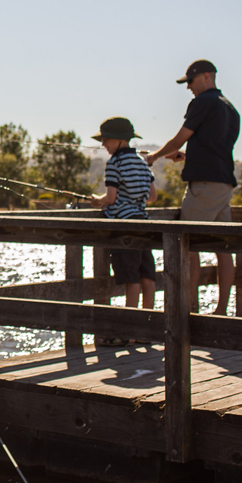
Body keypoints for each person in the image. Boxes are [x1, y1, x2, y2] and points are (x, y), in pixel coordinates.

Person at [144, 59, 240, 315]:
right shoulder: (230, 108)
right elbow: (215, 147)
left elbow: (178, 138)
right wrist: (189, 155)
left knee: (186, 245)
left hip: (204, 186)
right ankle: (220, 310)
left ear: (207, 77)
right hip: (224, 184)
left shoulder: (203, 102)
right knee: (223, 248)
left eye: (191, 81)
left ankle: (188, 309)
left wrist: (153, 157)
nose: (188, 87)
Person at [90, 117, 158, 347]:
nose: (103, 144)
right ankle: (145, 330)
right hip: (144, 225)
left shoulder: (114, 164)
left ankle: (129, 330)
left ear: (119, 140)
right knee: (147, 276)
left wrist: (97, 201)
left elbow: (110, 198)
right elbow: (152, 197)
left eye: (106, 139)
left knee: (131, 278)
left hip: (124, 227)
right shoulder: (141, 162)